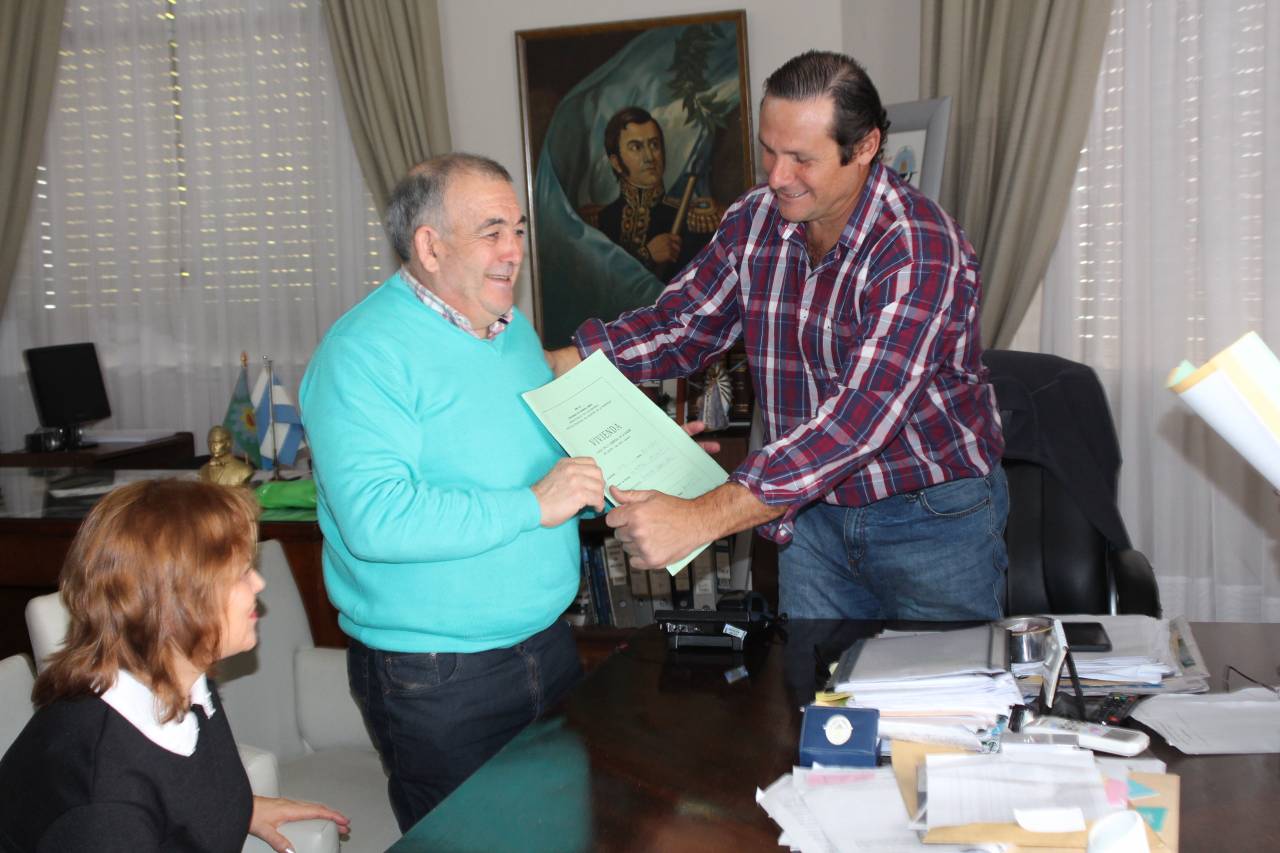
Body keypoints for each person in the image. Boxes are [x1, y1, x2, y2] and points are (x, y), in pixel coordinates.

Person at [546, 50, 1008, 622]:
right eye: (769, 149)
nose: (777, 177)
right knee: (814, 681)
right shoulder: (755, 219)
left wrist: (699, 518)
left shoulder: (918, 246)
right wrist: (566, 360)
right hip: (808, 515)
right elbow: (680, 326)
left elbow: (855, 422)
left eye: (801, 159)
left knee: (944, 681)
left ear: (865, 146)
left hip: (928, 521)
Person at [298, 153, 606, 831]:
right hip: (438, 678)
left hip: (549, 646)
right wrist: (533, 504)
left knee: (562, 837)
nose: (514, 251)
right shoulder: (361, 354)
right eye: (492, 232)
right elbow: (377, 519)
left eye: (518, 230)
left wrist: (633, 459)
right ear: (430, 246)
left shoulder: (514, 331)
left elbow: (539, 466)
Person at [0, 479, 348, 852]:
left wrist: (243, 809)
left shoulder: (179, 676)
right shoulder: (105, 801)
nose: (259, 583)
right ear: (177, 603)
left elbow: (173, 791)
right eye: (241, 573)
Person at [581, 106, 720, 280]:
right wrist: (646, 255)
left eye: (654, 145)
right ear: (616, 162)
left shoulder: (692, 220)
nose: (649, 157)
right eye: (636, 147)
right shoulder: (598, 223)